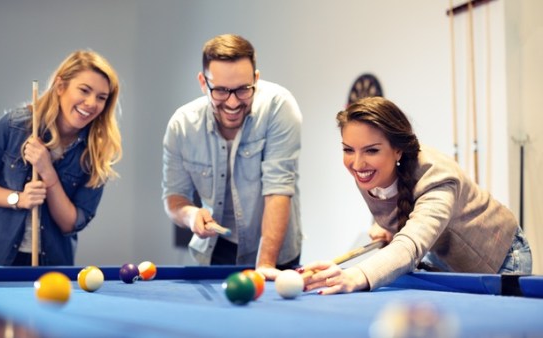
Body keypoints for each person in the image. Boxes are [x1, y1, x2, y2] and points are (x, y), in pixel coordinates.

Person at [302, 96, 532, 294]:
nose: (357, 163)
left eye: (371, 150)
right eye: (348, 149)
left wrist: (355, 275)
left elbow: (411, 243)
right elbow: (403, 210)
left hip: (500, 258)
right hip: (442, 257)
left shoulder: (438, 176)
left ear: (397, 150)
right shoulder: (367, 172)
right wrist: (390, 227)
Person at [0, 50, 123, 266]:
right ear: (60, 86)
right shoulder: (14, 126)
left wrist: (47, 172)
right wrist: (18, 199)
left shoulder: (96, 152)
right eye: (84, 90)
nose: (91, 103)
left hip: (51, 265)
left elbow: (71, 223)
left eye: (101, 98)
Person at [162, 34, 303, 280]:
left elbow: (278, 189)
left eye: (242, 90)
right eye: (221, 91)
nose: (232, 102)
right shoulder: (181, 126)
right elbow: (174, 197)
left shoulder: (279, 107)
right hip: (216, 250)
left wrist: (265, 267)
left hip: (275, 251)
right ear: (203, 83)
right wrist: (191, 215)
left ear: (255, 80)